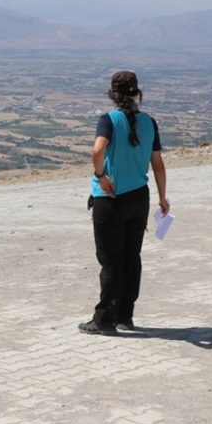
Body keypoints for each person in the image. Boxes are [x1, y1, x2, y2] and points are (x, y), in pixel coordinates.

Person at [79, 71, 169, 336]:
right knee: (132, 257)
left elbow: (97, 150)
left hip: (111, 199)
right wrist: (163, 198)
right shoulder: (149, 121)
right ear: (136, 92)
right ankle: (125, 316)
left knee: (110, 261)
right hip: (139, 197)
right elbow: (158, 164)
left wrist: (100, 175)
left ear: (113, 93)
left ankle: (104, 319)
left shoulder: (109, 119)